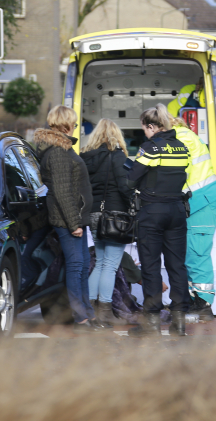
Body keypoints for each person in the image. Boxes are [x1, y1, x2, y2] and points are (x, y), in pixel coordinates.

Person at [34, 106, 105, 333]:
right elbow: (62, 192)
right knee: (76, 267)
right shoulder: (57, 152)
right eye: (73, 122)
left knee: (81, 266)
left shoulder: (61, 148)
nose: (75, 126)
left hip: (74, 218)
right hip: (68, 220)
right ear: (65, 124)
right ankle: (81, 318)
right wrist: (74, 224)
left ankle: (87, 314)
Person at [126, 104, 191, 336]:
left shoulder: (150, 148)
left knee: (151, 266)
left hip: (152, 211)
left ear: (152, 127)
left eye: (144, 128)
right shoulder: (182, 147)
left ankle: (152, 322)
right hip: (177, 210)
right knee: (177, 266)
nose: (144, 133)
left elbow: (131, 179)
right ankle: (179, 322)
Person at [171, 116, 216, 321]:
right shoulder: (184, 135)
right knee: (190, 252)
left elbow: (177, 172)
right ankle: (194, 298)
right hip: (200, 201)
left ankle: (204, 303)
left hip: (203, 201)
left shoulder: (181, 139)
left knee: (197, 252)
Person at [80, 119, 134, 326]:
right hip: (115, 216)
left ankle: (91, 309)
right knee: (110, 265)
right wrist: (133, 206)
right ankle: (105, 311)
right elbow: (125, 187)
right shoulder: (118, 157)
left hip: (94, 215)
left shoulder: (86, 157)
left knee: (101, 263)